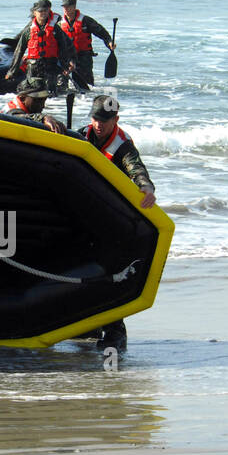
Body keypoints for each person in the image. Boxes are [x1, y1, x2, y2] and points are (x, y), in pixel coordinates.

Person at [75, 94, 156, 353]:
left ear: (116, 120)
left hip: (111, 221)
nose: (99, 125)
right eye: (96, 119)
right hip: (83, 216)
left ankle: (115, 332)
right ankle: (86, 324)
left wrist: (146, 187)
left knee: (110, 274)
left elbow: (136, 168)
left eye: (106, 120)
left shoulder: (123, 145)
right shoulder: (80, 135)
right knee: (80, 270)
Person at [5, 0, 72, 89]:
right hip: (33, 67)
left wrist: (65, 66)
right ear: (35, 13)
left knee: (50, 92)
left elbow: (64, 47)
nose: (43, 13)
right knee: (32, 91)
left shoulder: (56, 29)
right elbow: (19, 51)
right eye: (40, 11)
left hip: (50, 66)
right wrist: (11, 72)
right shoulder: (29, 30)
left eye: (45, 11)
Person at [59, 0, 115, 87]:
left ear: (74, 7)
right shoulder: (59, 23)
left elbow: (101, 32)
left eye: (68, 7)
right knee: (61, 86)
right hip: (65, 58)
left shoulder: (86, 20)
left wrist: (109, 42)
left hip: (83, 56)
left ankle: (87, 100)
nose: (66, 9)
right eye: (64, 7)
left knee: (86, 86)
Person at [0, 76, 67, 134]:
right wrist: (42, 118)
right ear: (22, 98)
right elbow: (15, 117)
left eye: (44, 100)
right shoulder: (12, 109)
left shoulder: (26, 108)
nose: (42, 106)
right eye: (37, 101)